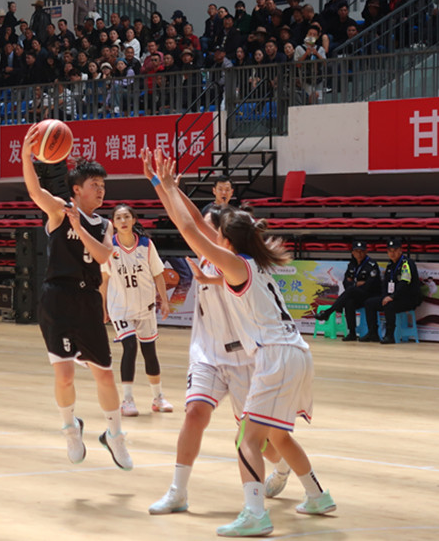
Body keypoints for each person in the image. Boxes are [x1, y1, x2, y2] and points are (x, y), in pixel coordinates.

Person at [144, 148, 335, 536]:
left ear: (226, 240)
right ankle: (318, 496)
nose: (212, 235)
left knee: (247, 439)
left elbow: (190, 230)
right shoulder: (251, 262)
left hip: (273, 355)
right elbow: (195, 224)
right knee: (275, 435)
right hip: (294, 353)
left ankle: (255, 514)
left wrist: (168, 188)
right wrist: (164, 187)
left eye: (218, 233)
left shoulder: (234, 263)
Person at [21, 124, 133, 471]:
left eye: (103, 186)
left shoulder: (104, 225)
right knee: (65, 375)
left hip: (87, 301)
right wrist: (27, 156)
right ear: (77, 189)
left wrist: (80, 228)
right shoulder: (58, 210)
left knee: (105, 375)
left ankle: (115, 435)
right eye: (94, 185)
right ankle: (71, 429)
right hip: (57, 298)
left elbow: (103, 255)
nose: (100, 191)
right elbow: (34, 191)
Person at [100, 204, 172, 417]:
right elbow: (104, 279)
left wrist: (164, 301)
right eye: (118, 218)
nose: (123, 221)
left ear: (133, 220)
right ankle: (127, 400)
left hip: (145, 306)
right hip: (120, 307)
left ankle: (158, 398)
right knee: (130, 346)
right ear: (113, 223)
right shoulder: (109, 247)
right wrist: (102, 306)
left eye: (126, 217)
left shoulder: (146, 245)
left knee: (149, 351)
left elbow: (158, 274)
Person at [314, 241, 381, 341]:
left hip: (371, 295)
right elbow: (346, 282)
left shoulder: (371, 265)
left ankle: (328, 312)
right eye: (357, 251)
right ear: (353, 252)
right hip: (357, 295)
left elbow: (370, 285)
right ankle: (352, 333)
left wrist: (354, 284)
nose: (359, 254)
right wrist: (356, 284)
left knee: (351, 290)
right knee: (349, 302)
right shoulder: (352, 265)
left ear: (366, 252)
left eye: (361, 251)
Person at [361, 238, 423, 344]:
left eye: (395, 250)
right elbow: (385, 284)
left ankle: (390, 335)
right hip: (393, 297)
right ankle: (373, 333)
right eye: (390, 251)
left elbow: (404, 283)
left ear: (400, 250)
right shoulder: (390, 265)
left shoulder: (407, 264)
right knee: (369, 303)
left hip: (407, 299)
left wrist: (392, 297)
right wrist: (384, 296)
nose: (392, 253)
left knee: (389, 305)